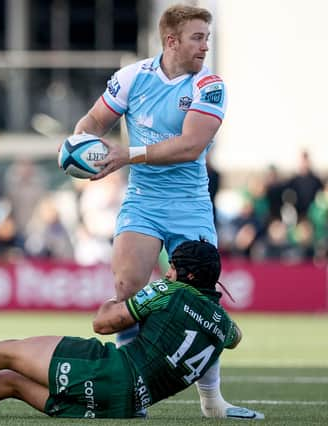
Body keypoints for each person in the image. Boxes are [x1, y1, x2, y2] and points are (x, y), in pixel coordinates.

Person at [70, 5, 258, 419]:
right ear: (171, 40)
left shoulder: (210, 85)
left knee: (202, 302)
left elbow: (191, 146)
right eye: (197, 38)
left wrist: (126, 155)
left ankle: (212, 402)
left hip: (190, 205)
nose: (205, 46)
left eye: (207, 38)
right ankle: (132, 391)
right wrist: (77, 146)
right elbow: (94, 120)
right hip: (143, 202)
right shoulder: (132, 77)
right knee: (127, 290)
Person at [0, 240, 263, 419]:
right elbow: (235, 337)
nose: (169, 271)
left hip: (110, 371)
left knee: (7, 351)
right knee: (10, 382)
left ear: (187, 275)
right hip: (125, 408)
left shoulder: (171, 292)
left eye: (174, 267)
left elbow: (103, 323)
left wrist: (124, 299)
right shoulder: (224, 327)